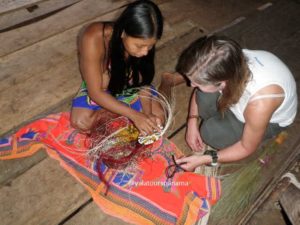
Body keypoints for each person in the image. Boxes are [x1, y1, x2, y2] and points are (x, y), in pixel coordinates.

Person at [175, 35, 297, 171]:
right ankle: (223, 120)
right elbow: (199, 91)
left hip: (267, 119)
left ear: (222, 82)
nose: (190, 85)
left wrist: (204, 159)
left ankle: (252, 133)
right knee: (204, 96)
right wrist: (192, 121)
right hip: (239, 98)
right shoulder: (226, 60)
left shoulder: (260, 103)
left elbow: (246, 147)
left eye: (196, 83)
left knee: (211, 133)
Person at [71, 0, 164, 135]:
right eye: (139, 46)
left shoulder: (145, 38)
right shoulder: (93, 37)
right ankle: (124, 111)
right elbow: (96, 92)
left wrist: (147, 114)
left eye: (150, 46)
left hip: (130, 85)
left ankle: (167, 82)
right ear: (123, 32)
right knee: (82, 122)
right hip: (101, 86)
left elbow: (144, 83)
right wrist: (134, 115)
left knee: (159, 119)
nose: (145, 52)